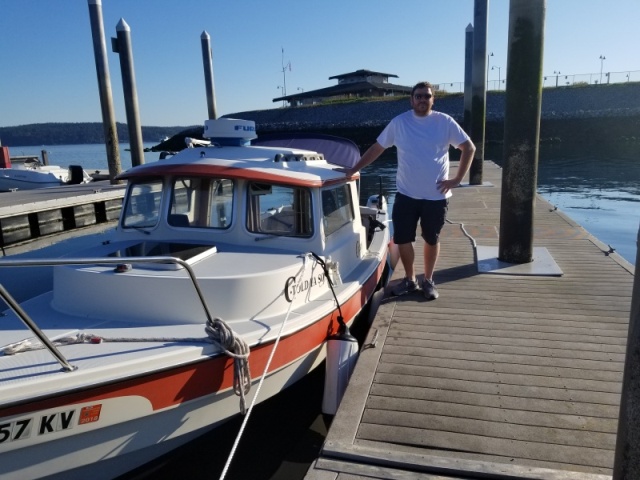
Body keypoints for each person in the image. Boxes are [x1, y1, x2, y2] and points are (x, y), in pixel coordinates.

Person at [344, 81, 475, 300]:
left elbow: (468, 148)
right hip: (406, 194)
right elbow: (377, 148)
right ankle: (410, 279)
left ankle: (429, 280)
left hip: (436, 196)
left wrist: (457, 179)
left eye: (427, 96)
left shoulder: (445, 122)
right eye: (419, 96)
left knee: (431, 239)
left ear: (433, 99)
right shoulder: (399, 123)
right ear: (411, 99)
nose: (422, 100)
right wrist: (354, 168)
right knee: (403, 238)